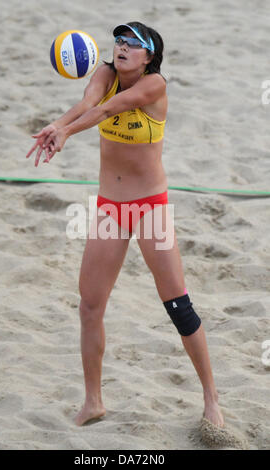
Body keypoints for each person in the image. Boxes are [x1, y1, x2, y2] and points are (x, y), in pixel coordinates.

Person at [26, 22, 225, 429]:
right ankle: (93, 401)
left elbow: (107, 110)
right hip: (109, 209)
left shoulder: (154, 86)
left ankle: (211, 399)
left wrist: (66, 132)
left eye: (134, 45)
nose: (123, 48)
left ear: (149, 57)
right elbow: (89, 102)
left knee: (178, 307)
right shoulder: (104, 73)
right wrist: (58, 125)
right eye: (120, 41)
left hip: (150, 207)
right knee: (90, 305)